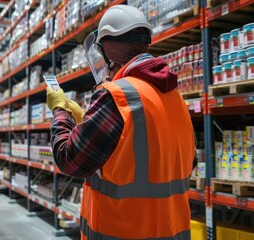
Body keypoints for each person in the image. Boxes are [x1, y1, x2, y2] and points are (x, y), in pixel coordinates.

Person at [46, 5, 196, 240]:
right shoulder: (176, 99)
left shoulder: (116, 96)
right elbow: (165, 161)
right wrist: (85, 120)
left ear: (108, 47)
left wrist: (60, 111)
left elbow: (69, 160)